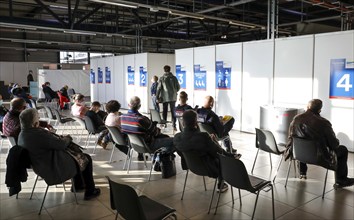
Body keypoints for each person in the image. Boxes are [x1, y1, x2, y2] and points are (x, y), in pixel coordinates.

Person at [18, 108, 100, 200]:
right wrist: (68, 138)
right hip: (53, 168)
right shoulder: (37, 135)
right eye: (37, 117)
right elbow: (61, 145)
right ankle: (90, 191)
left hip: (41, 165)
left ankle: (78, 185)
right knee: (86, 158)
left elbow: (47, 142)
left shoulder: (23, 133)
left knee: (74, 157)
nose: (39, 118)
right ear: (34, 121)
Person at [285, 99, 354, 187]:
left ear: (307, 107)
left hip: (297, 153)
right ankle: (341, 180)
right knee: (343, 149)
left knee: (302, 142)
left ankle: (302, 172)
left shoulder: (296, 119)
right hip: (319, 157)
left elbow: (291, 137)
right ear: (319, 110)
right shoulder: (324, 123)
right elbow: (334, 145)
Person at [174, 110, 240, 193]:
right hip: (208, 168)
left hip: (191, 166)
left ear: (183, 122)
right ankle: (221, 184)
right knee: (221, 159)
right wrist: (214, 142)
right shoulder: (203, 137)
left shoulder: (177, 137)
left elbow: (182, 151)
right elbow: (218, 153)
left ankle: (231, 157)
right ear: (196, 122)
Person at [156, 65, 180, 131]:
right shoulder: (174, 78)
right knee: (173, 111)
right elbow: (178, 87)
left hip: (165, 97)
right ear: (170, 69)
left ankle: (164, 124)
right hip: (173, 97)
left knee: (165, 111)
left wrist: (157, 97)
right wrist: (174, 92)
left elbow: (158, 88)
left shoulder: (162, 78)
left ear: (164, 70)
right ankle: (174, 125)